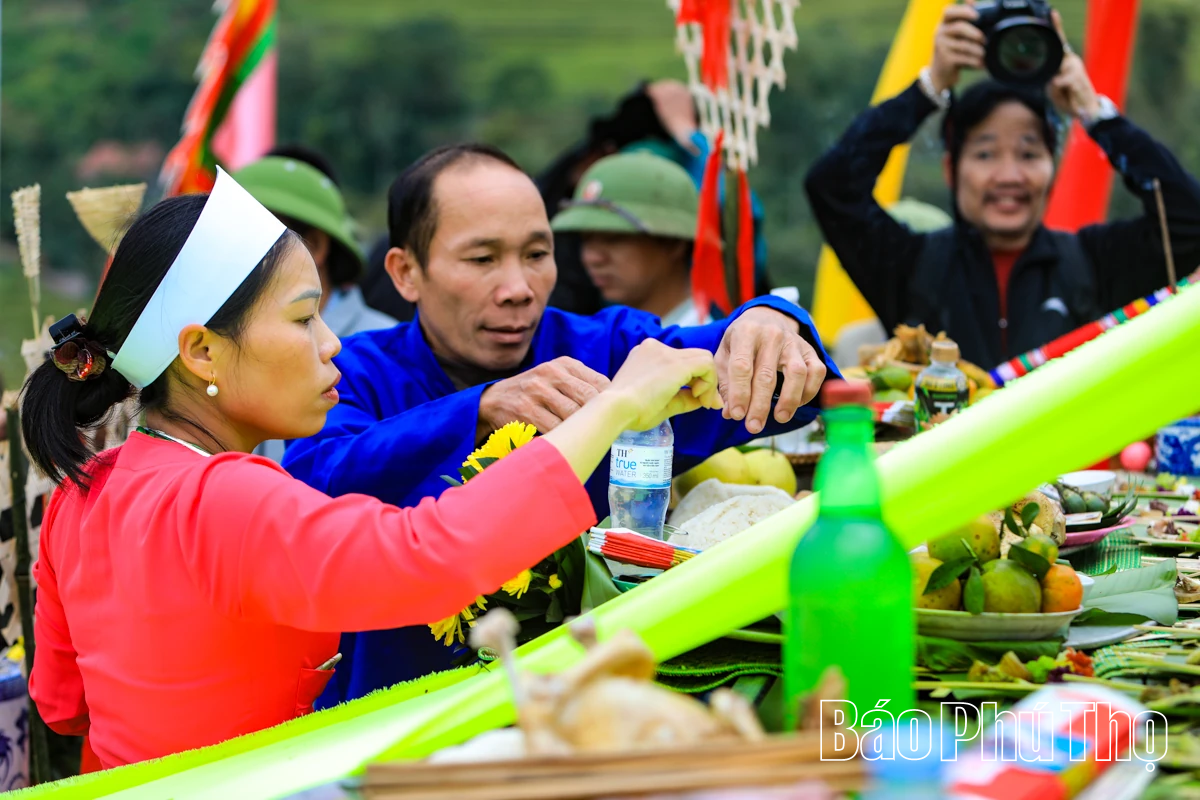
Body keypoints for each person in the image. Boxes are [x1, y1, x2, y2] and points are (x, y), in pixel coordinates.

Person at [19, 169, 724, 769]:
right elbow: (430, 556)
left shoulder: (86, 493)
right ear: (201, 352)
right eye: (302, 321)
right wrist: (615, 407)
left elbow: (60, 703)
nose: (331, 346)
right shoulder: (228, 497)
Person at [282, 142, 834, 705]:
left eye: (537, 254)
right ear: (405, 273)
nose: (518, 288)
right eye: (482, 259)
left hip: (599, 703)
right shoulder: (354, 371)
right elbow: (310, 482)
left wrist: (771, 319)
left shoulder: (606, 349)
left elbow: (731, 361)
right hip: (400, 710)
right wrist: (480, 409)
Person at [804, 5, 1200, 369]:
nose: (1009, 175)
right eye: (986, 154)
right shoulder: (910, 267)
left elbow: (1189, 220)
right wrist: (930, 87)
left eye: (1028, 154)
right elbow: (832, 186)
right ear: (951, 168)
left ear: (1052, 167)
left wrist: (1093, 111)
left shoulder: (1095, 265)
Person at [551, 151, 709, 327]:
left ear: (673, 243)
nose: (592, 258)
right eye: (585, 239)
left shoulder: (707, 348)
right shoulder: (613, 341)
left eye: (613, 238)